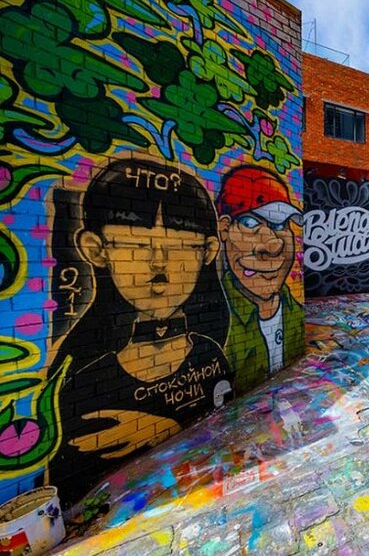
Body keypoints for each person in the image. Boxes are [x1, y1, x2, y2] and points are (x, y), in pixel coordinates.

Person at [49, 157, 234, 506]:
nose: (159, 265)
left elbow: (224, 420)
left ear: (207, 253)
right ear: (96, 249)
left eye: (180, 247)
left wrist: (164, 431)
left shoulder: (208, 352)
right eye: (135, 246)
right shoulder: (83, 377)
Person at [217, 165, 304, 393]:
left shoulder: (295, 312)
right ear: (224, 229)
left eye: (280, 224)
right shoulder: (218, 325)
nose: (273, 245)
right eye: (250, 223)